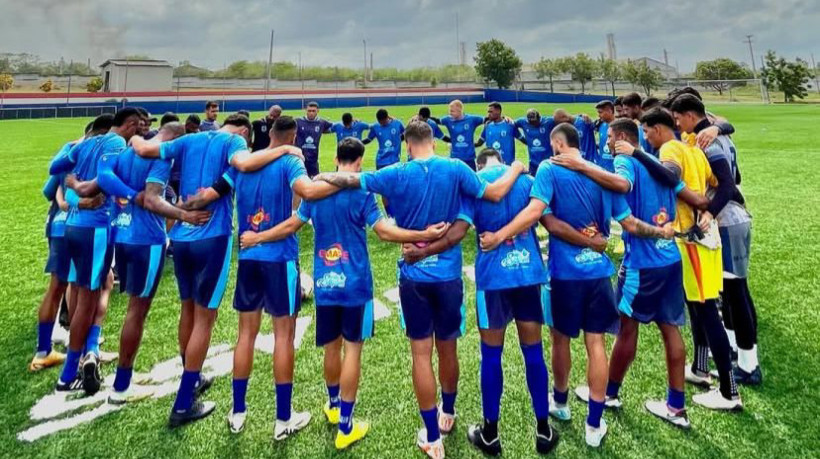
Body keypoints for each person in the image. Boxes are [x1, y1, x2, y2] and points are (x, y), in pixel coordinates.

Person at [315, 121, 526, 459]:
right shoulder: (456, 167)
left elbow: (350, 179)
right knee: (448, 348)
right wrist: (515, 168)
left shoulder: (397, 172)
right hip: (448, 276)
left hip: (414, 276)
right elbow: (496, 192)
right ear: (430, 140)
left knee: (420, 355)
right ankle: (448, 413)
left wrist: (321, 177)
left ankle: (432, 437)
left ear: (408, 145)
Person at [241, 137, 449, 449]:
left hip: (325, 283)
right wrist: (422, 236)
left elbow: (291, 225)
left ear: (337, 158)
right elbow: (383, 230)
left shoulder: (316, 188)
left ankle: (334, 404)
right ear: (360, 161)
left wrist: (257, 238)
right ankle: (346, 425)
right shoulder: (360, 191)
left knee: (331, 348)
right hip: (355, 284)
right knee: (352, 350)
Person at [132, 114, 304, 427]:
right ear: (243, 132)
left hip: (181, 238)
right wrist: (282, 150)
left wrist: (132, 137)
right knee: (204, 319)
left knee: (189, 311)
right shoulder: (234, 143)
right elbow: (243, 164)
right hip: (212, 238)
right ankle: (184, 402)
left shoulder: (189, 139)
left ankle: (194, 379)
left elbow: (144, 150)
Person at [479, 123, 626, 448]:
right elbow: (625, 208)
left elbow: (542, 216)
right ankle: (585, 425)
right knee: (593, 344)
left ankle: (549, 407)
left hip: (555, 273)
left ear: (558, 145)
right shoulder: (598, 173)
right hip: (587, 272)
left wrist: (499, 236)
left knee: (530, 347)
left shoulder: (546, 170)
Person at [548, 118, 690, 429]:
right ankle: (676, 406)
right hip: (670, 260)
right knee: (671, 329)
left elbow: (622, 185)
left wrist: (583, 166)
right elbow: (682, 192)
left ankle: (609, 393)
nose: (607, 143)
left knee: (626, 329)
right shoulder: (657, 162)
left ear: (623, 137)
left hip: (644, 261)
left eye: (610, 137)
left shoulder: (624, 159)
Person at [631, 107, 743, 411]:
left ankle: (729, 392)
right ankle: (701, 368)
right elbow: (721, 185)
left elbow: (669, 176)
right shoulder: (692, 149)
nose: (645, 137)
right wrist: (705, 210)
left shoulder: (669, 148)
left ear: (656, 129)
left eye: (645, 131)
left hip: (692, 242)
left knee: (706, 310)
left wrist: (637, 153)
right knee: (697, 307)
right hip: (703, 239)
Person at [97, 122, 212, 404]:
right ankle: (122, 386)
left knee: (132, 309)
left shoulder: (127, 152)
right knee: (137, 310)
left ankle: (126, 374)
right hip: (146, 240)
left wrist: (129, 194)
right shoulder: (161, 157)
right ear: (174, 140)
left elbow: (105, 178)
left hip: (121, 233)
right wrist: (185, 216)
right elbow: (151, 199)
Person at [49, 108, 143, 395]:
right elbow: (104, 177)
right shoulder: (115, 143)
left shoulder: (87, 143)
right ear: (128, 125)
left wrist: (75, 187)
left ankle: (88, 352)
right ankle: (70, 374)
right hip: (96, 229)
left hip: (73, 228)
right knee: (89, 299)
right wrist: (134, 195)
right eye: (138, 127)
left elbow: (56, 167)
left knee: (85, 290)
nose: (138, 134)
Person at [670, 95, 761, 385]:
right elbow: (738, 175)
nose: (677, 124)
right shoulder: (714, 132)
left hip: (728, 220)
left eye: (678, 118)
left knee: (736, 292)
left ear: (689, 114)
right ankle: (737, 351)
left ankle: (748, 365)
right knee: (730, 292)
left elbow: (728, 183)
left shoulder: (707, 140)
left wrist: (709, 210)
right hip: (730, 217)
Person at [31, 127, 105, 372]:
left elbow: (47, 191)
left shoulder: (69, 150)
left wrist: (63, 199)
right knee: (81, 287)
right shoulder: (95, 151)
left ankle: (48, 349)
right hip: (79, 226)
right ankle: (84, 350)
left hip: (57, 227)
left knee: (59, 288)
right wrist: (77, 202)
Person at [438, 99, 485, 170]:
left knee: (470, 179)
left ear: (459, 110)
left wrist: (504, 118)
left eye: (452, 111)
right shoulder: (448, 120)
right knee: (455, 180)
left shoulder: (472, 119)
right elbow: (435, 121)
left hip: (469, 158)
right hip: (455, 158)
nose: (450, 113)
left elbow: (488, 119)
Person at [296, 101, 334, 178]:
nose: (311, 113)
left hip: (313, 158)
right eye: (309, 111)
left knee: (314, 180)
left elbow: (336, 127)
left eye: (313, 111)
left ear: (318, 111)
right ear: (305, 110)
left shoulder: (322, 122)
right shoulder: (298, 121)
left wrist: (352, 121)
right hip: (299, 157)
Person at [515, 109, 555, 175]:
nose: (533, 124)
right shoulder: (523, 122)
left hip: (548, 160)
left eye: (535, 122)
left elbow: (564, 121)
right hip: (533, 162)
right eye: (531, 123)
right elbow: (512, 125)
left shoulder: (548, 121)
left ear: (539, 118)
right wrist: (521, 138)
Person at [595, 100, 616, 171]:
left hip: (615, 170)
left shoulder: (620, 126)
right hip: (602, 168)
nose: (598, 115)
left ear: (610, 111)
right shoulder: (601, 125)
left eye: (600, 112)